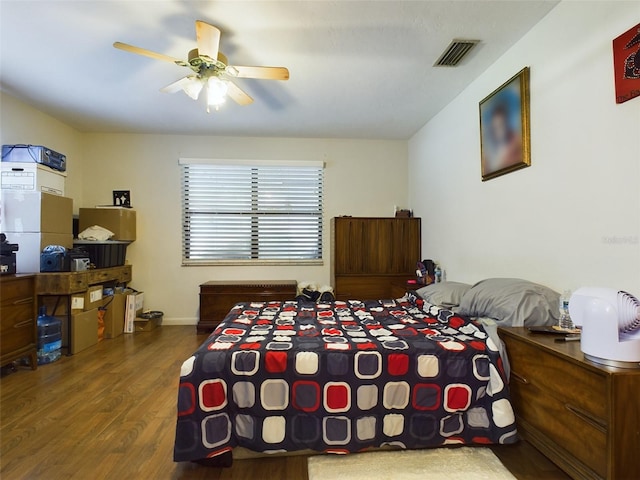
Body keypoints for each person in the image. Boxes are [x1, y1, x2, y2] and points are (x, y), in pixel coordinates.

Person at [483, 101, 522, 173]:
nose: (498, 128)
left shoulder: (513, 137)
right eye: (496, 124)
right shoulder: (489, 143)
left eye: (501, 124)